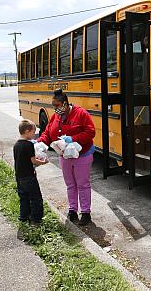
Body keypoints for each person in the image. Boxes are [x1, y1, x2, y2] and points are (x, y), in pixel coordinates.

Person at [36, 89, 96, 226]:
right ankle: (72, 210)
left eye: (57, 105)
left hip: (82, 156)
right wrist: (39, 142)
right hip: (65, 156)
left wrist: (72, 139)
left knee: (83, 184)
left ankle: (86, 213)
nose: (55, 108)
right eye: (53, 105)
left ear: (65, 103)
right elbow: (47, 133)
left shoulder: (81, 113)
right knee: (70, 185)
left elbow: (90, 132)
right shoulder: (56, 116)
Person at [13, 119, 49, 226]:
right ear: (27, 131)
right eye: (33, 132)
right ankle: (36, 219)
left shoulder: (16, 145)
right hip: (29, 176)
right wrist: (43, 162)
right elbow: (33, 160)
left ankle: (23, 217)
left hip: (19, 176)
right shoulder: (28, 145)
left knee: (23, 197)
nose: (34, 134)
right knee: (35, 198)